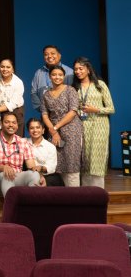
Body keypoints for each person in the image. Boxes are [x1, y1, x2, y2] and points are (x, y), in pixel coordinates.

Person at [73, 57, 114, 188]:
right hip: (83, 125)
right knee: (85, 157)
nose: (78, 71)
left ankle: (98, 191)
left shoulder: (100, 85)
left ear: (88, 69)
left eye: (81, 68)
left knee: (97, 157)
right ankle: (86, 192)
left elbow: (111, 108)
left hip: (100, 125)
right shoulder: (76, 87)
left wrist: (94, 109)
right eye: (75, 69)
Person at [41, 65, 82, 187]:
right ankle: (63, 197)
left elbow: (73, 111)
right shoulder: (46, 94)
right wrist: (53, 132)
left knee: (71, 163)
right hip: (54, 132)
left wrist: (55, 128)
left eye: (60, 75)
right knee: (57, 162)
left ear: (64, 76)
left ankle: (75, 197)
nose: (57, 77)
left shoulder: (70, 90)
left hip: (71, 129)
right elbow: (44, 115)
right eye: (54, 74)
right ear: (49, 76)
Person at [0, 112, 39, 196]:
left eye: (14, 123)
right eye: (7, 122)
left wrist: (40, 175)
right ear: (1, 124)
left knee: (34, 174)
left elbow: (31, 166)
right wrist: (3, 168)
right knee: (7, 176)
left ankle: (32, 206)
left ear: (17, 125)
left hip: (18, 176)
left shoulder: (23, 142)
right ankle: (12, 207)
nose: (11, 125)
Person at [31, 45, 74, 114]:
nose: (49, 56)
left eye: (53, 53)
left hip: (65, 115)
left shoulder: (69, 72)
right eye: (46, 54)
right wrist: (43, 110)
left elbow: (73, 95)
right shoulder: (38, 73)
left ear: (59, 56)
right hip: (45, 115)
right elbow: (34, 93)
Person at [26, 117, 61, 187]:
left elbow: (52, 167)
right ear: (28, 131)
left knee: (56, 180)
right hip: (28, 174)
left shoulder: (50, 147)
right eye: (32, 128)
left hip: (47, 176)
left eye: (38, 127)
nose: (35, 130)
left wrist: (41, 168)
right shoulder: (24, 143)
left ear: (43, 130)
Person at [0, 59, 26, 136]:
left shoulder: (18, 82)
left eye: (8, 67)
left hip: (15, 110)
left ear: (12, 69)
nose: (5, 69)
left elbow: (14, 102)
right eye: (2, 67)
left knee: (16, 138)